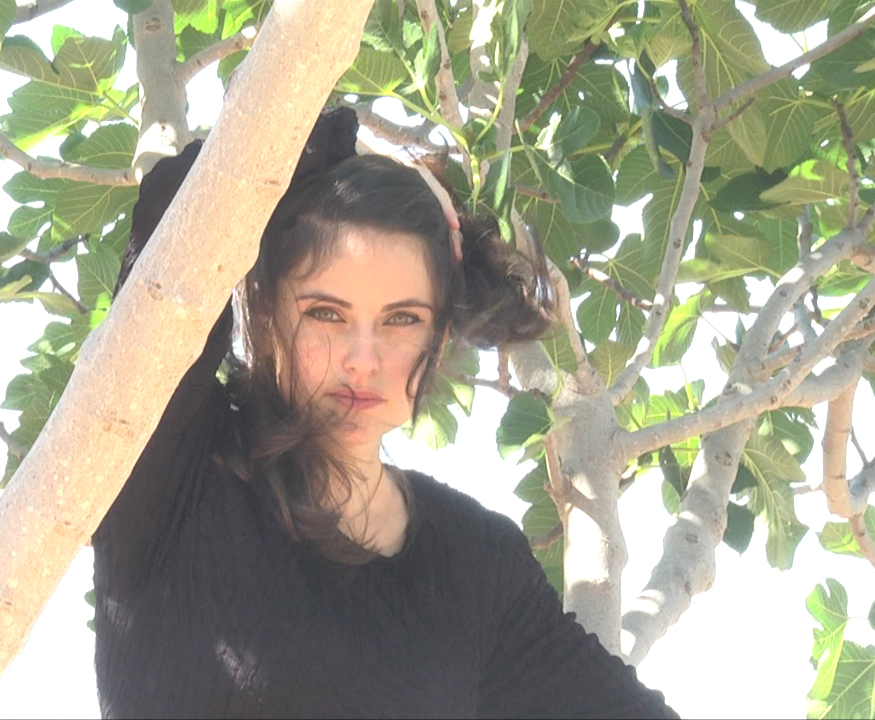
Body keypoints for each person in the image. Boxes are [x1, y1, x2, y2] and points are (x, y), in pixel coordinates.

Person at [91, 108, 677, 718]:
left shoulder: (473, 560)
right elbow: (180, 207)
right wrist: (355, 153)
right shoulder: (170, 470)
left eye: (402, 319)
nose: (363, 360)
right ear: (264, 315)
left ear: (439, 336)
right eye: (326, 313)